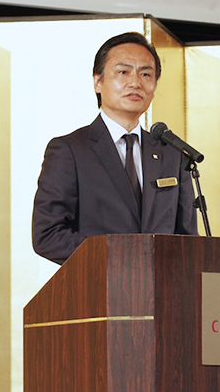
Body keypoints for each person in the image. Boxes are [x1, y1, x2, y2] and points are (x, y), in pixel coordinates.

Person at [32, 32, 198, 264]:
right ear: (98, 82)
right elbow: (48, 234)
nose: (135, 82)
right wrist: (118, 258)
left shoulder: (172, 154)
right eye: (123, 72)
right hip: (99, 281)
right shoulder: (70, 150)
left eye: (145, 74)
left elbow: (187, 241)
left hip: (162, 284)